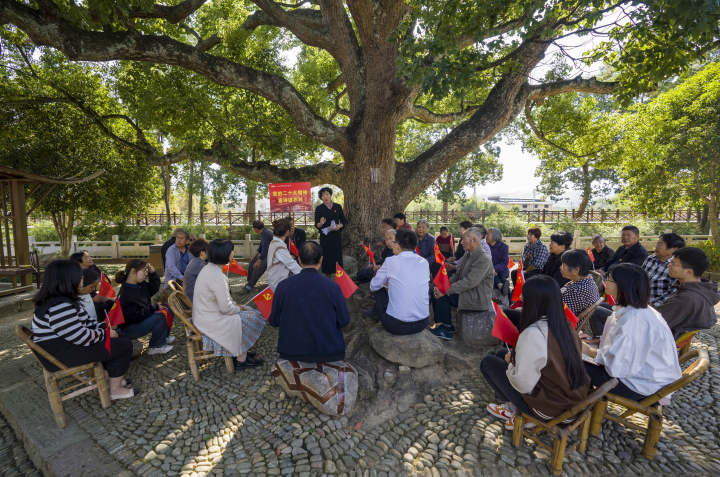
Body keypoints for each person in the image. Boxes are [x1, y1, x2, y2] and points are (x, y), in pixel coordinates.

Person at [481, 275, 590, 430]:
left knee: (488, 363)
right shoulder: (564, 324)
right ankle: (513, 405)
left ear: (533, 303)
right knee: (500, 354)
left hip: (550, 407)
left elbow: (523, 384)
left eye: (524, 298)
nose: (521, 300)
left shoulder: (533, 333)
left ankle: (520, 410)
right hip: (574, 398)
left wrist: (511, 365)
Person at [31, 260, 134, 399]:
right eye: (79, 277)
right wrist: (105, 333)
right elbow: (82, 337)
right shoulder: (60, 305)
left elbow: (87, 323)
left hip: (64, 347)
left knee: (119, 337)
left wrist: (105, 328)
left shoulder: (59, 299)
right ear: (68, 280)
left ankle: (110, 378)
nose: (82, 279)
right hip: (61, 355)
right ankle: (115, 390)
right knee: (124, 345)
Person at [581, 263, 682, 401]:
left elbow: (616, 367)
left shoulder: (634, 320)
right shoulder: (637, 310)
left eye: (609, 279)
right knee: (572, 359)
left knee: (569, 364)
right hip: (641, 376)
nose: (605, 283)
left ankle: (571, 404)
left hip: (640, 385)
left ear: (623, 286)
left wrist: (588, 350)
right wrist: (592, 342)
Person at [269, 241, 351, 362]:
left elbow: (274, 321)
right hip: (329, 351)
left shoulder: (283, 286)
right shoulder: (333, 287)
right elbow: (344, 320)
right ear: (321, 260)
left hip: (291, 351)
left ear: (299, 260)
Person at [193, 239, 265, 370]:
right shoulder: (217, 276)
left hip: (205, 315)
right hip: (210, 319)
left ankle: (241, 350)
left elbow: (223, 302)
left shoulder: (209, 269)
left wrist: (237, 307)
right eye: (232, 250)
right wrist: (238, 308)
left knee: (248, 311)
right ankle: (241, 360)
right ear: (225, 254)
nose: (233, 252)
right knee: (252, 317)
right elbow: (226, 308)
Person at [432, 227, 494, 341]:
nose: (461, 242)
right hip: (467, 291)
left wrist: (446, 291)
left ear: (473, 240)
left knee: (443, 296)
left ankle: (446, 329)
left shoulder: (483, 258)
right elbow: (457, 275)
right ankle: (439, 324)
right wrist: (443, 286)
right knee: (436, 292)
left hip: (476, 297)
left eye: (463, 239)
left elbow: (469, 282)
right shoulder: (468, 254)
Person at [370, 228, 430, 335]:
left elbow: (373, 286)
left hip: (397, 325)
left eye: (393, 242)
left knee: (379, 289)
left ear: (398, 245)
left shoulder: (391, 261)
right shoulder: (424, 262)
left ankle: (376, 316)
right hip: (423, 322)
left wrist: (383, 280)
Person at [657, 247, 719, 338]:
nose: (668, 265)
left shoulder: (686, 299)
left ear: (689, 272)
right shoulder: (702, 291)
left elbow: (653, 323)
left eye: (673, 263)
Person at [116, 260, 174, 355]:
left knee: (167, 307)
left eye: (147, 271)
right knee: (159, 316)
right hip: (129, 328)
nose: (146, 274)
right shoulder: (125, 293)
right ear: (133, 271)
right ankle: (155, 346)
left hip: (140, 319)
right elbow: (135, 316)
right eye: (144, 271)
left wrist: (153, 273)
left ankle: (164, 337)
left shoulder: (140, 284)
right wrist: (154, 308)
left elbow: (154, 288)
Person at [642, 232, 686, 307]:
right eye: (657, 243)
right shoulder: (650, 259)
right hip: (638, 300)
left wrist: (653, 305)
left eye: (660, 244)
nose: (656, 246)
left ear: (674, 249)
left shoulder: (677, 266)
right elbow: (639, 277)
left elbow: (673, 291)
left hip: (658, 307)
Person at [315, 187, 347, 275]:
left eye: (327, 194)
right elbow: (317, 225)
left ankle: (339, 277)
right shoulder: (319, 208)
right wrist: (320, 223)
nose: (325, 197)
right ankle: (327, 277)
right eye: (323, 195)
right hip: (325, 238)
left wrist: (339, 226)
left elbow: (344, 221)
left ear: (330, 195)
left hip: (336, 236)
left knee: (337, 257)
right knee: (326, 258)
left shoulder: (338, 206)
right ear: (321, 198)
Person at [559, 249, 601, 316]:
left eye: (563, 265)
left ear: (576, 270)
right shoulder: (588, 280)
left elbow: (556, 311)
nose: (560, 267)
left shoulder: (576, 291)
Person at [266, 218, 302, 291]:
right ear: (287, 232)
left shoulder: (274, 242)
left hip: (275, 278)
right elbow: (291, 264)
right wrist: (306, 275)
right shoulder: (279, 246)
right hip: (278, 282)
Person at [246, 220, 275, 291]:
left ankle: (250, 286)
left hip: (272, 255)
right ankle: (249, 281)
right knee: (252, 262)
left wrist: (259, 261)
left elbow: (265, 250)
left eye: (254, 228)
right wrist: (254, 257)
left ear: (256, 228)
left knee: (257, 266)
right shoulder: (263, 232)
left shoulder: (266, 234)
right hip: (267, 253)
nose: (254, 230)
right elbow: (261, 247)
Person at [182, 238, 208, 302]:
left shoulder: (194, 261)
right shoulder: (200, 265)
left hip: (190, 296)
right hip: (194, 300)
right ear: (202, 252)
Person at [486, 227, 509, 293]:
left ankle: (501, 285)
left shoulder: (504, 247)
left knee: (500, 275)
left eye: (488, 234)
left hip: (501, 270)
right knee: (491, 274)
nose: (486, 236)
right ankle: (501, 285)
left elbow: (505, 263)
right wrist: (492, 269)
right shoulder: (485, 246)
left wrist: (494, 269)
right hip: (488, 270)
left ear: (494, 235)